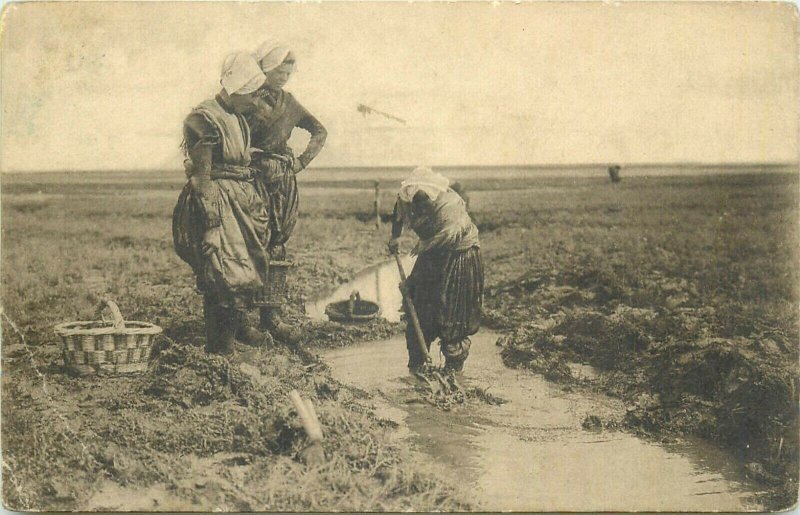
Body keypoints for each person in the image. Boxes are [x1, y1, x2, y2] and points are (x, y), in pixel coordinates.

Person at [172, 52, 272, 355]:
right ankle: (219, 350)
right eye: (253, 94)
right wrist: (212, 227)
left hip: (239, 206)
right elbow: (202, 179)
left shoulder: (238, 117)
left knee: (240, 277)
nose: (256, 101)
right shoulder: (204, 119)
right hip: (215, 205)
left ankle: (229, 342)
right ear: (238, 89)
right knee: (221, 278)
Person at [246, 41, 327, 342]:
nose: (284, 76)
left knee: (277, 244)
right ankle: (241, 320)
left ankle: (271, 317)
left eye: (289, 72)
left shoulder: (290, 103)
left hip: (282, 182)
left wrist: (302, 161)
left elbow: (320, 130)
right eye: (280, 70)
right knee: (247, 241)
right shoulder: (247, 99)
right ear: (266, 67)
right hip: (250, 179)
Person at [388, 167, 484, 373]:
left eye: (425, 200)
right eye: (417, 199)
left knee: (451, 314)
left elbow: (435, 261)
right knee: (419, 311)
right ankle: (417, 366)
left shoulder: (449, 212)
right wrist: (395, 236)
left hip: (459, 257)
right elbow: (398, 212)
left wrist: (412, 282)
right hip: (433, 253)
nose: (420, 204)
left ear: (434, 195)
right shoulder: (409, 199)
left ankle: (453, 371)